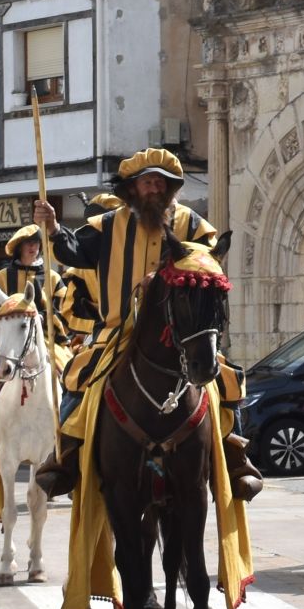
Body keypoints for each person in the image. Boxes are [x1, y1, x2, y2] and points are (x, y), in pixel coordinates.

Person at [29, 148, 261, 502]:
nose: (154, 188)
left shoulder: (193, 226)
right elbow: (73, 252)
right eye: (146, 182)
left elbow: (211, 267)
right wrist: (54, 228)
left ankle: (236, 456)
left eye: (160, 182)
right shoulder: (107, 225)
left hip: (181, 332)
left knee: (226, 378)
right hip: (118, 331)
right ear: (132, 189)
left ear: (171, 188)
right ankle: (65, 459)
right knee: (77, 376)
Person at [0, 226, 66, 455]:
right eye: (28, 243)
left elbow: (64, 313)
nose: (33, 247)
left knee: (69, 371)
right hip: (7, 342)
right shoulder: (2, 277)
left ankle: (70, 428)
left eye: (36, 243)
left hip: (45, 340)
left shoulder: (53, 278)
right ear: (18, 248)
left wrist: (44, 319)